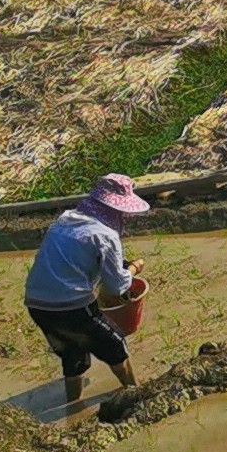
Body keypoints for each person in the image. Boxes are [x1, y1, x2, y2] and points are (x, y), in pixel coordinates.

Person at [22, 171, 150, 412]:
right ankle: (138, 394)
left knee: (72, 353)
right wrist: (133, 268)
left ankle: (72, 406)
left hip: (37, 303)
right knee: (114, 344)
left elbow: (74, 261)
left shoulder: (66, 219)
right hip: (71, 305)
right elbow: (116, 287)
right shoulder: (106, 235)